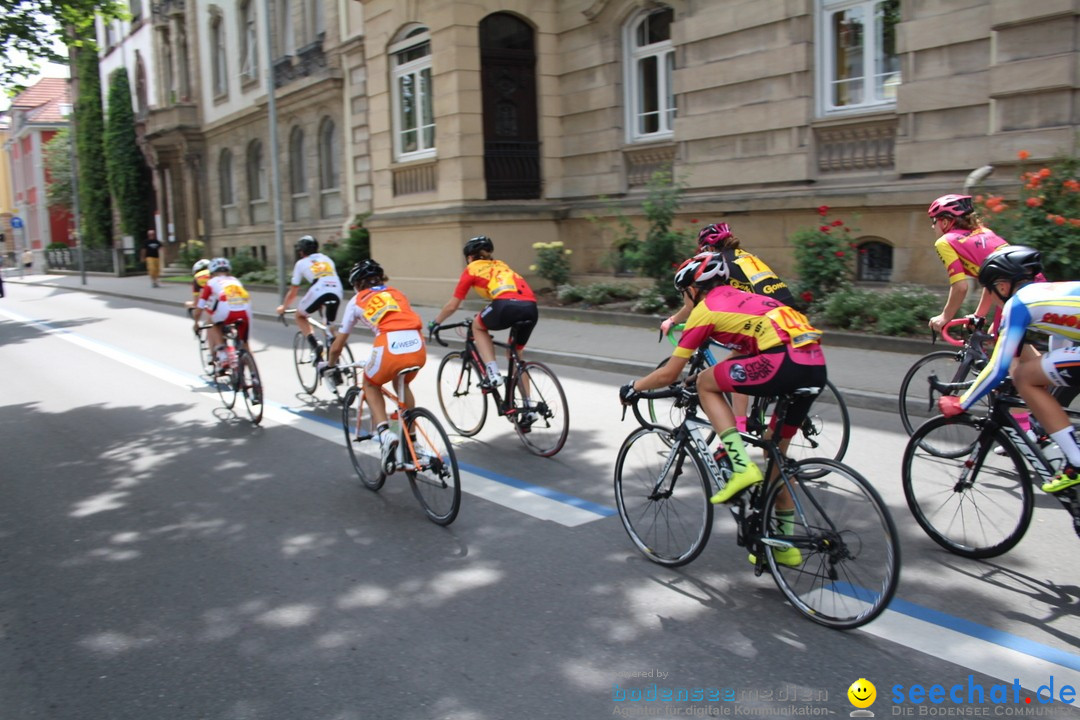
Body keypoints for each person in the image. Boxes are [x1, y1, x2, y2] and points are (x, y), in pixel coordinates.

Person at [619, 252, 827, 564]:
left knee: (706, 384)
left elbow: (668, 374)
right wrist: (701, 376)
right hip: (814, 365)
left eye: (684, 297)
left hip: (783, 362)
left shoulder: (704, 310)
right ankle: (784, 546)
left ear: (693, 290)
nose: (684, 305)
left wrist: (632, 388)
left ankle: (740, 466)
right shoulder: (745, 299)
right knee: (776, 456)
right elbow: (745, 351)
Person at [938, 246, 1080, 493]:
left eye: (989, 291)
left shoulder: (1017, 304)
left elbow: (999, 367)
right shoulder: (1050, 293)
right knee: (1040, 377)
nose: (992, 298)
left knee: (1025, 378)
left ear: (1002, 286)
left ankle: (1075, 464)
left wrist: (962, 402)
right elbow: (1060, 344)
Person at [660, 222, 797, 432]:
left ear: (709, 248)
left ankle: (739, 426)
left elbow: (700, 302)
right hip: (789, 312)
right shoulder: (744, 256)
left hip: (770, 317)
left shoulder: (720, 266)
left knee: (738, 363)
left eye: (703, 249)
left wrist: (672, 320)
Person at [326, 259, 426, 466]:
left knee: (370, 383)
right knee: (402, 384)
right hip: (417, 343)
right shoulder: (397, 293)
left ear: (358, 284)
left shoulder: (357, 300)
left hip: (389, 344)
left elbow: (337, 346)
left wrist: (330, 365)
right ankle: (413, 442)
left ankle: (385, 432)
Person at [429, 236, 539, 388]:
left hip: (504, 305)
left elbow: (452, 306)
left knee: (478, 326)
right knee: (515, 357)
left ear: (469, 257)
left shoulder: (471, 269)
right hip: (531, 308)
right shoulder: (501, 265)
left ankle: (493, 373)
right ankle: (529, 407)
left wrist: (435, 322)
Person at [926, 194, 1012, 333]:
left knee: (1003, 340)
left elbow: (960, 287)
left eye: (934, 220)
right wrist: (979, 315)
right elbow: (993, 278)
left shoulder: (945, 242)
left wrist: (945, 317)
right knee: (996, 336)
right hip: (1023, 284)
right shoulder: (984, 231)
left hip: (1012, 291)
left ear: (945, 222)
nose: (932, 226)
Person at [275, 235, 344, 361]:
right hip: (337, 290)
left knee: (299, 316)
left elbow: (293, 291)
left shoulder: (301, 263)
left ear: (301, 251)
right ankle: (335, 359)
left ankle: (315, 345)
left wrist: (284, 307)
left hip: (319, 290)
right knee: (328, 325)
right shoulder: (326, 259)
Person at [191, 257, 253, 371]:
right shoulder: (235, 280)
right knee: (245, 344)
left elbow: (199, 307)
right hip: (245, 311)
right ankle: (254, 376)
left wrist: (195, 323)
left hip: (226, 311)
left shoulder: (211, 282)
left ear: (212, 272)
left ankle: (222, 352)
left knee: (211, 322)